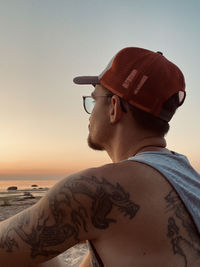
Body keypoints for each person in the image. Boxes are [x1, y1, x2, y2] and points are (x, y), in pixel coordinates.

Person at [0, 47, 200, 267]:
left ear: (114, 107)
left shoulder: (97, 188)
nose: (90, 112)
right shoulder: (187, 177)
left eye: (94, 100)